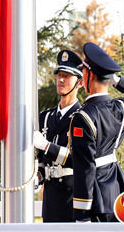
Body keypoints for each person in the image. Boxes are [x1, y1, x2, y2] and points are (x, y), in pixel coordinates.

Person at [69, 42, 124, 222]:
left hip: (95, 200)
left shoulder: (83, 117)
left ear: (90, 74)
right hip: (116, 190)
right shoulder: (120, 108)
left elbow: (85, 170)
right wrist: (117, 81)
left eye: (84, 72)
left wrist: (81, 217)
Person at [33, 50, 84, 222]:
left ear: (79, 82)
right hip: (50, 197)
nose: (60, 80)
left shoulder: (83, 117)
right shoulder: (45, 117)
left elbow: (79, 160)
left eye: (67, 76)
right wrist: (38, 177)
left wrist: (47, 146)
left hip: (73, 195)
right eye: (59, 75)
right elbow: (41, 158)